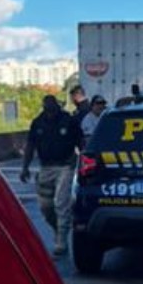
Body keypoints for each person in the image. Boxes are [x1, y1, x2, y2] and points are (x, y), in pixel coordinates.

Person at [18, 95, 84, 255]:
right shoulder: (38, 123)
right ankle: (57, 229)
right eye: (47, 108)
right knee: (46, 207)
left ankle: (62, 241)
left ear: (57, 106)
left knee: (61, 203)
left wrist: (83, 162)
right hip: (46, 167)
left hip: (65, 166)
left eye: (52, 108)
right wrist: (25, 167)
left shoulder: (69, 120)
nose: (50, 111)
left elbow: (81, 142)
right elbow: (30, 146)